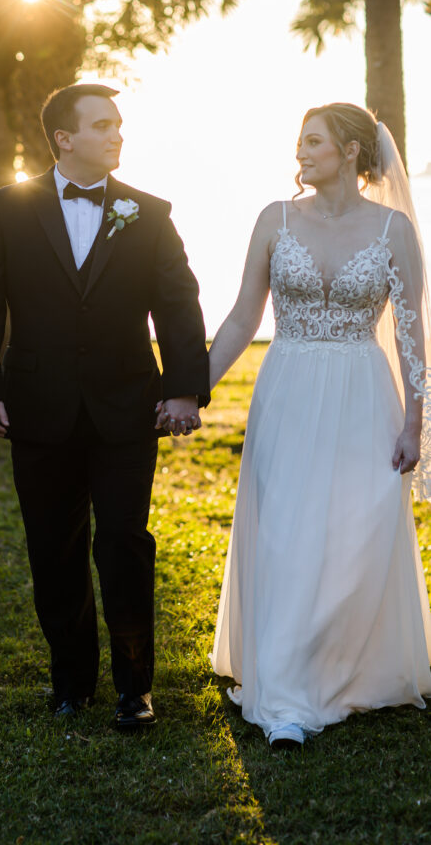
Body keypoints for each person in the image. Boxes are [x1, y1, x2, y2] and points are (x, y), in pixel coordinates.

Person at [0, 83, 210, 728]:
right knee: (53, 548)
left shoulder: (148, 214)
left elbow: (180, 304)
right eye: (102, 125)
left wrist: (182, 386)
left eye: (119, 124)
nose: (116, 134)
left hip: (128, 407)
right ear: (64, 138)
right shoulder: (6, 209)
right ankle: (71, 682)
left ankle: (134, 689)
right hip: (36, 408)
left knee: (125, 543)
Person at [208, 103, 431, 748]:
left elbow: (413, 335)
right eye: (300, 141)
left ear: (353, 151)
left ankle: (345, 667)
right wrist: (190, 388)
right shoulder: (274, 220)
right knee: (286, 531)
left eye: (314, 141)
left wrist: (415, 423)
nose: (300, 152)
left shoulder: (393, 230)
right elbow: (241, 318)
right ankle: (285, 697)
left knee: (355, 532)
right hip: (289, 389)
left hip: (365, 394)